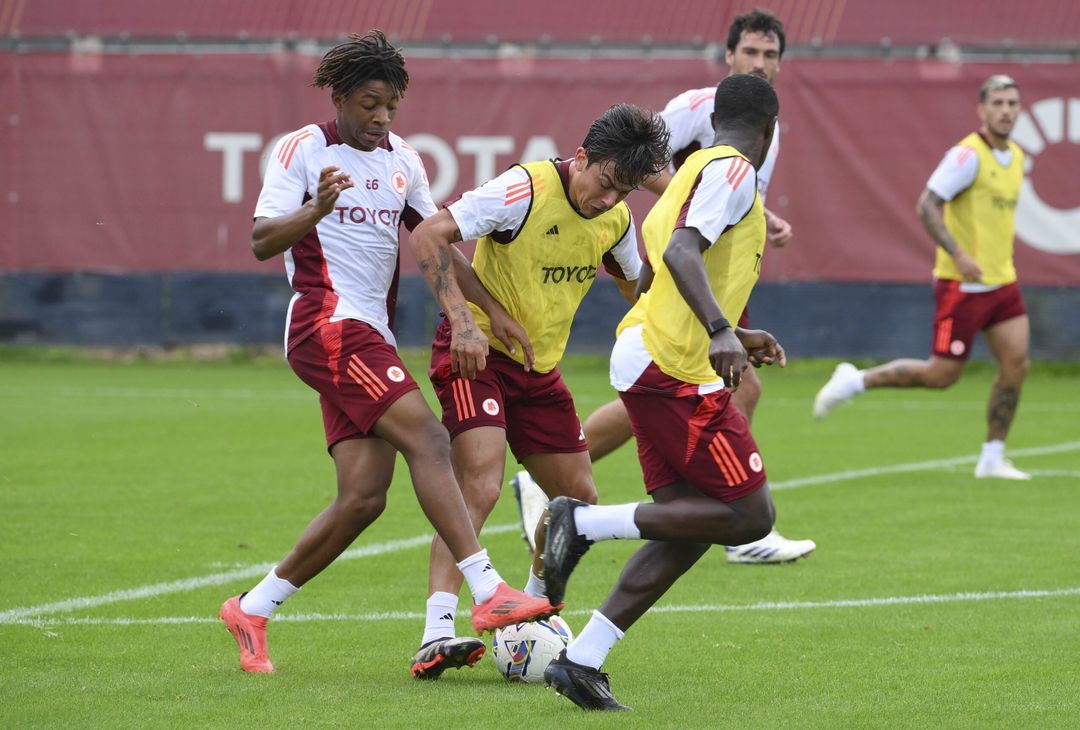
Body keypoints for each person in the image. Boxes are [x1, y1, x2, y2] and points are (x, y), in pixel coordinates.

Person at [218, 30, 559, 675]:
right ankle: (488, 592)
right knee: (431, 440)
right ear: (341, 96)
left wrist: (492, 311)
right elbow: (263, 240)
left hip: (370, 334)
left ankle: (252, 609)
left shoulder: (402, 158)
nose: (381, 118)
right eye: (370, 104)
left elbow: (437, 242)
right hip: (327, 326)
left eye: (391, 106)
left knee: (363, 499)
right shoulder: (303, 149)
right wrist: (318, 206)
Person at [512, 8, 813, 565]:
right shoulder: (702, 108)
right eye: (751, 52)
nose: (761, 63)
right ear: (729, 57)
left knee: (660, 394)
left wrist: (759, 217)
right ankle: (734, 515)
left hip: (714, 262)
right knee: (729, 387)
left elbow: (734, 194)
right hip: (689, 261)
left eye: (771, 55)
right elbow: (641, 158)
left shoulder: (764, 125)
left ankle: (550, 482)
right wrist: (696, 198)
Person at [542, 74, 786, 711]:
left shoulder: (689, 169)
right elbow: (681, 251)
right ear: (768, 129)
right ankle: (581, 522)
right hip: (673, 364)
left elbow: (659, 268)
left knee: (687, 526)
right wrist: (715, 331)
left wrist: (735, 329)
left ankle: (582, 658)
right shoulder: (734, 170)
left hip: (655, 354)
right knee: (751, 517)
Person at [407, 104, 671, 679]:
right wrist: (466, 320)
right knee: (479, 481)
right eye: (603, 183)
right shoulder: (523, 189)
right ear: (581, 157)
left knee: (578, 499)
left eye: (623, 190)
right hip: (475, 354)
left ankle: (532, 612)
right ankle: (436, 632)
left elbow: (638, 290)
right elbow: (430, 235)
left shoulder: (616, 220)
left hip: (539, 369)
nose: (608, 199)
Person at [813, 75, 1031, 481]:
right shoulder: (967, 156)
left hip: (1002, 281)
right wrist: (958, 253)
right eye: (997, 103)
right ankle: (855, 380)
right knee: (941, 376)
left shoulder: (1016, 156)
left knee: (1017, 362)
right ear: (981, 110)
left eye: (1012, 103)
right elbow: (927, 204)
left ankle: (992, 456)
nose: (1005, 110)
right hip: (962, 285)